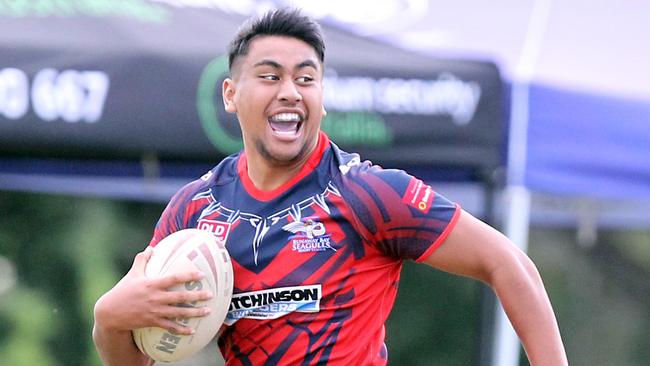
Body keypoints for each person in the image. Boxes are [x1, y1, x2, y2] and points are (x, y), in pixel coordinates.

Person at [93, 8, 568, 366]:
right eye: (270, 76)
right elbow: (139, 355)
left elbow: (509, 265)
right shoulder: (194, 213)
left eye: (306, 79)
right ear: (231, 94)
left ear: (322, 96)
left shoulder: (370, 195)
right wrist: (109, 317)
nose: (290, 92)